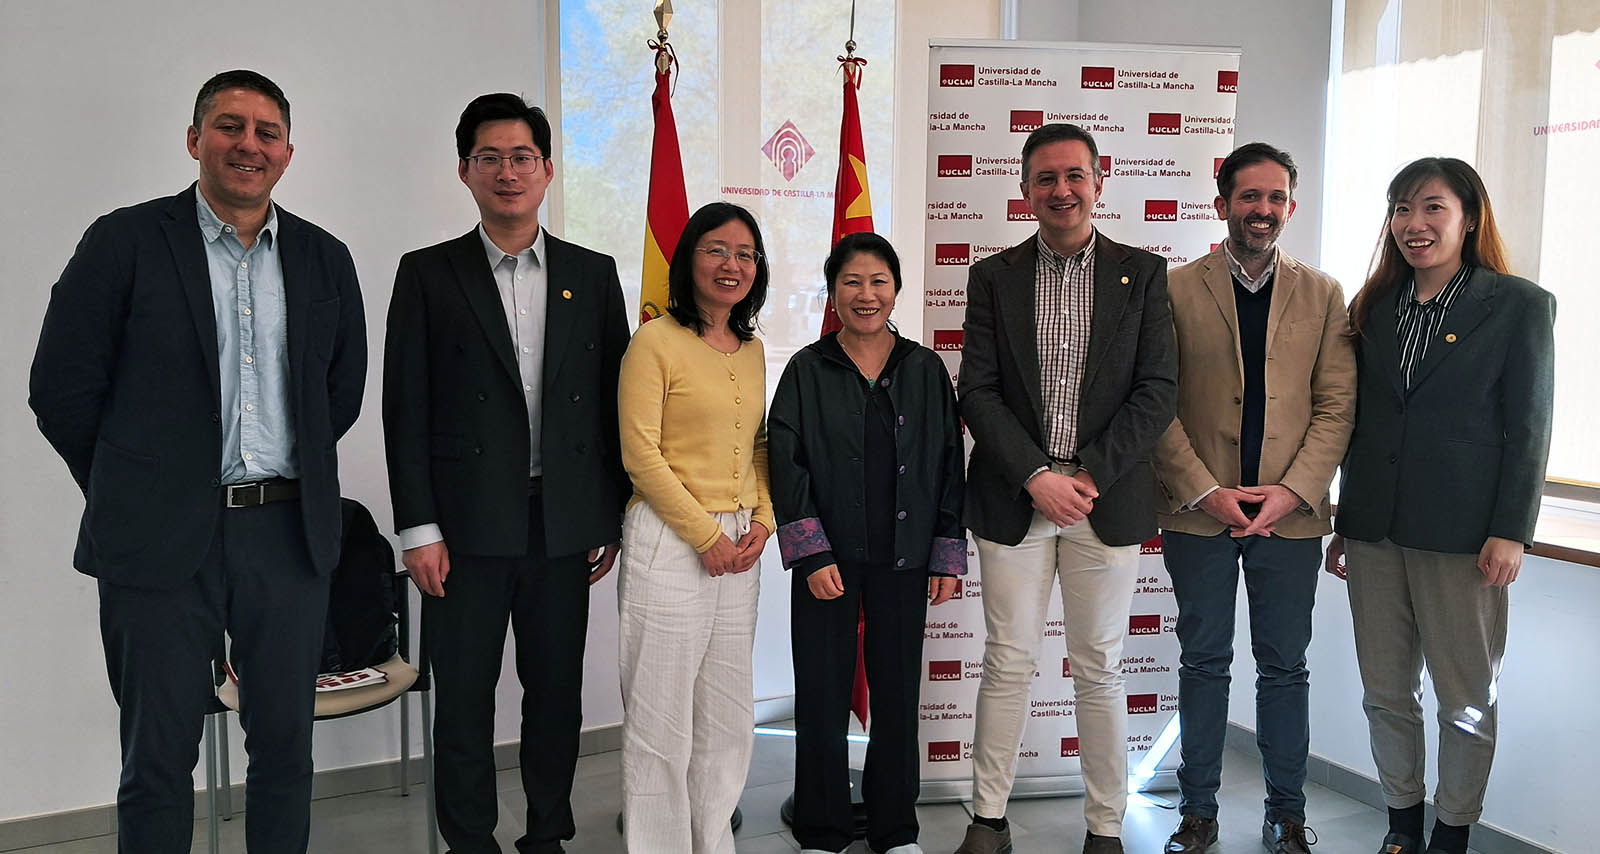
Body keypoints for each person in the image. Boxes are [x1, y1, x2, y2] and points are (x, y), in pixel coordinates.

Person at [29, 70, 366, 853]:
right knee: (157, 758)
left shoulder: (324, 257)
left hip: (287, 536)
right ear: (194, 140)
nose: (249, 144)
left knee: (285, 753)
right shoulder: (124, 242)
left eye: (267, 132)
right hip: (156, 536)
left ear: (287, 154)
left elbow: (337, 395)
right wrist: (131, 483)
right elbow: (62, 389)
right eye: (229, 126)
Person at [381, 92, 631, 854]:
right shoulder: (427, 274)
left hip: (561, 524)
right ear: (464, 171)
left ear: (548, 169)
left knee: (555, 696)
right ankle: (470, 842)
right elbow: (405, 408)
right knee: (463, 701)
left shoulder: (592, 274)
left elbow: (614, 403)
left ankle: (547, 835)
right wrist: (418, 529)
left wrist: (607, 513)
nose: (507, 172)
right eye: (489, 158)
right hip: (462, 532)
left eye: (522, 156)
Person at [953, 123, 1177, 854]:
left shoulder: (1145, 274)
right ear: (1024, 190)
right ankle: (988, 820)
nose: (1061, 190)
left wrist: (1085, 476)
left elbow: (1157, 391)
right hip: (1013, 497)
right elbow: (977, 390)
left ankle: (1105, 827)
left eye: (1075, 175)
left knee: (1100, 669)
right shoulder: (992, 276)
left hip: (1103, 499)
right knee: (1007, 661)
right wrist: (1036, 476)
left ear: (1099, 183)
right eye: (1045, 178)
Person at [1325, 157, 1554, 854]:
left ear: (1469, 218)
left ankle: (1452, 831)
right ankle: (1401, 825)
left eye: (1432, 207)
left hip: (1465, 537)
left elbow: (1529, 426)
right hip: (1374, 533)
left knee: (1465, 699)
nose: (1413, 224)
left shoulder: (1516, 304)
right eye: (1401, 208)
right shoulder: (1374, 306)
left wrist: (1511, 530)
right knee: (1386, 693)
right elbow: (1364, 424)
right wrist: (1346, 523)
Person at [1152, 142, 1355, 854]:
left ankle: (1286, 815)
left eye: (1275, 198)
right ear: (1223, 205)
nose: (1262, 210)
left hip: (1289, 520)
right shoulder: (1174, 289)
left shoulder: (1324, 294)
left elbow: (1336, 405)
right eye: (1249, 197)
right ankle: (1197, 814)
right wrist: (1204, 490)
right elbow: (1156, 403)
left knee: (1285, 668)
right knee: (1203, 664)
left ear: (1290, 208)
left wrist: (1293, 492)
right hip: (1197, 514)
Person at [769, 232, 967, 854]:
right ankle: (821, 828)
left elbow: (948, 463)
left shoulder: (924, 369)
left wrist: (946, 552)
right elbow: (785, 463)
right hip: (827, 561)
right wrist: (810, 553)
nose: (866, 294)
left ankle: (895, 829)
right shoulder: (807, 368)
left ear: (896, 290)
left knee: (898, 695)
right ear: (832, 293)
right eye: (852, 281)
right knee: (821, 695)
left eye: (878, 281)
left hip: (904, 559)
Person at [616, 202, 775, 854]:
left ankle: (713, 842)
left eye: (745, 254)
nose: (732, 264)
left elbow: (759, 443)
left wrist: (763, 519)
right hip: (670, 538)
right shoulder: (654, 341)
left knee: (727, 715)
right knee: (660, 719)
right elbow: (639, 452)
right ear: (688, 259)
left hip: (741, 544)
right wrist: (705, 536)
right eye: (717, 249)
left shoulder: (753, 349)